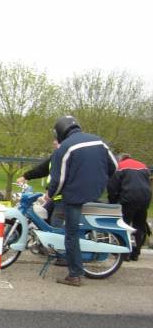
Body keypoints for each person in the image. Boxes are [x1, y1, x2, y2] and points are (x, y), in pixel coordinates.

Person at [46, 116, 117, 286]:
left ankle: (74, 274)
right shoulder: (99, 141)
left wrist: (51, 194)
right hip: (95, 192)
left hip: (74, 197)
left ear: (60, 132)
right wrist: (99, 180)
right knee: (87, 226)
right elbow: (114, 166)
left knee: (71, 235)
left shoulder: (64, 148)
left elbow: (59, 180)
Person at [107, 154, 152, 262]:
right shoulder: (143, 166)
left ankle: (125, 253)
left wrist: (113, 201)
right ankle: (136, 253)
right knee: (139, 225)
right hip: (145, 199)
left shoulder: (120, 166)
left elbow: (112, 186)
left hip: (128, 198)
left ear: (120, 159)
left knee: (124, 225)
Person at [17, 139, 60, 223]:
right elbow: (43, 169)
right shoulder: (56, 156)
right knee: (42, 218)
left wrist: (50, 190)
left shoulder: (64, 156)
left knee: (55, 229)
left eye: (57, 140)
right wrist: (25, 176)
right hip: (55, 198)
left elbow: (59, 175)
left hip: (63, 199)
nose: (54, 142)